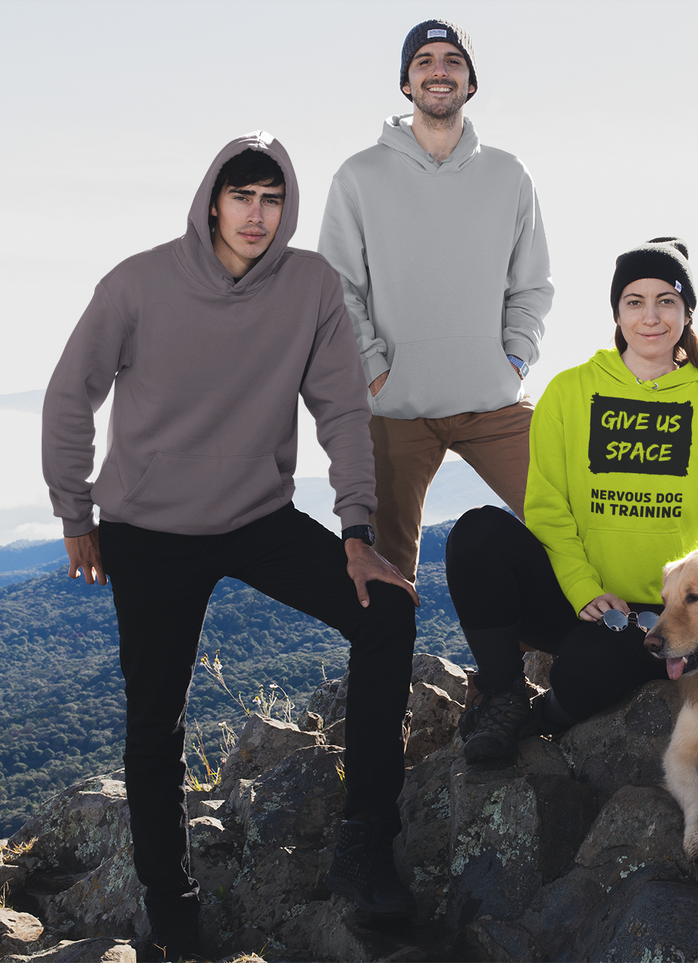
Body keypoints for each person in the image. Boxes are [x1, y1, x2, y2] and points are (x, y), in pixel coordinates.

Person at [41, 132, 423, 954]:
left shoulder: (311, 285)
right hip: (147, 528)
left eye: (273, 198)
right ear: (212, 200)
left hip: (256, 515)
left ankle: (364, 845)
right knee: (156, 723)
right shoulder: (139, 282)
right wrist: (76, 513)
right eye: (242, 196)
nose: (257, 214)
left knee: (384, 612)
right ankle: (173, 911)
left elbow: (343, 410)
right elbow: (71, 393)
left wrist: (356, 530)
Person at [444, 238, 698, 765]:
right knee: (477, 532)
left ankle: (539, 721)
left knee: (596, 662)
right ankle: (503, 695)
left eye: (666, 300)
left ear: (687, 313)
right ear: (617, 312)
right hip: (568, 591)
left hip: (650, 616)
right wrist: (582, 588)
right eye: (634, 301)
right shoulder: (569, 393)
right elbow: (546, 507)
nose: (651, 316)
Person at [318, 18, 554, 583]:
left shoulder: (509, 175)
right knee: (388, 568)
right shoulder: (359, 175)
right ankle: (387, 672)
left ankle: (562, 656)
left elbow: (532, 283)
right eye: (424, 61)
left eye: (453, 60)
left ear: (471, 82)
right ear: (407, 82)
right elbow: (336, 288)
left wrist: (515, 358)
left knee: (568, 524)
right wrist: (376, 372)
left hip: (495, 403)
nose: (439, 71)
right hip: (397, 407)